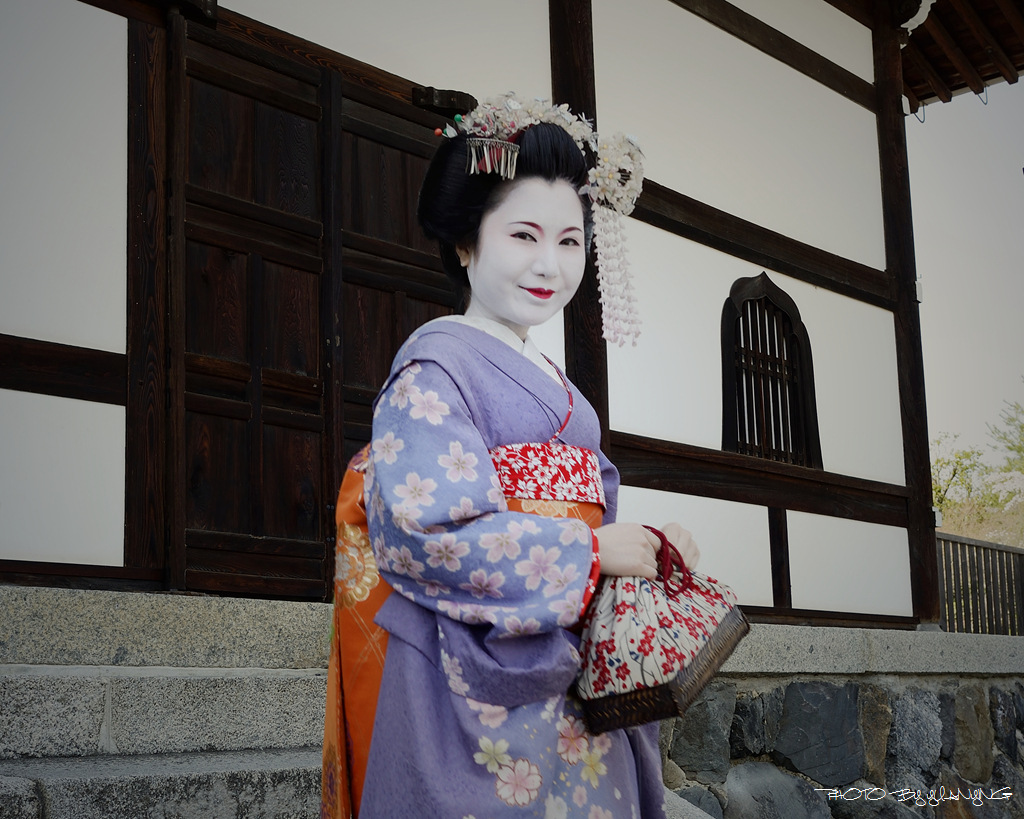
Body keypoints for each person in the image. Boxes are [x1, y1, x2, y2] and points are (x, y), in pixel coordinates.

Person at [322, 93, 699, 818]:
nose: (549, 264)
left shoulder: (564, 392)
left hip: (569, 672)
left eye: (568, 242)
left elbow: (594, 523)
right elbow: (426, 532)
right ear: (466, 244)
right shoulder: (436, 369)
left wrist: (644, 546)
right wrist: (590, 553)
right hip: (469, 679)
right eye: (524, 235)